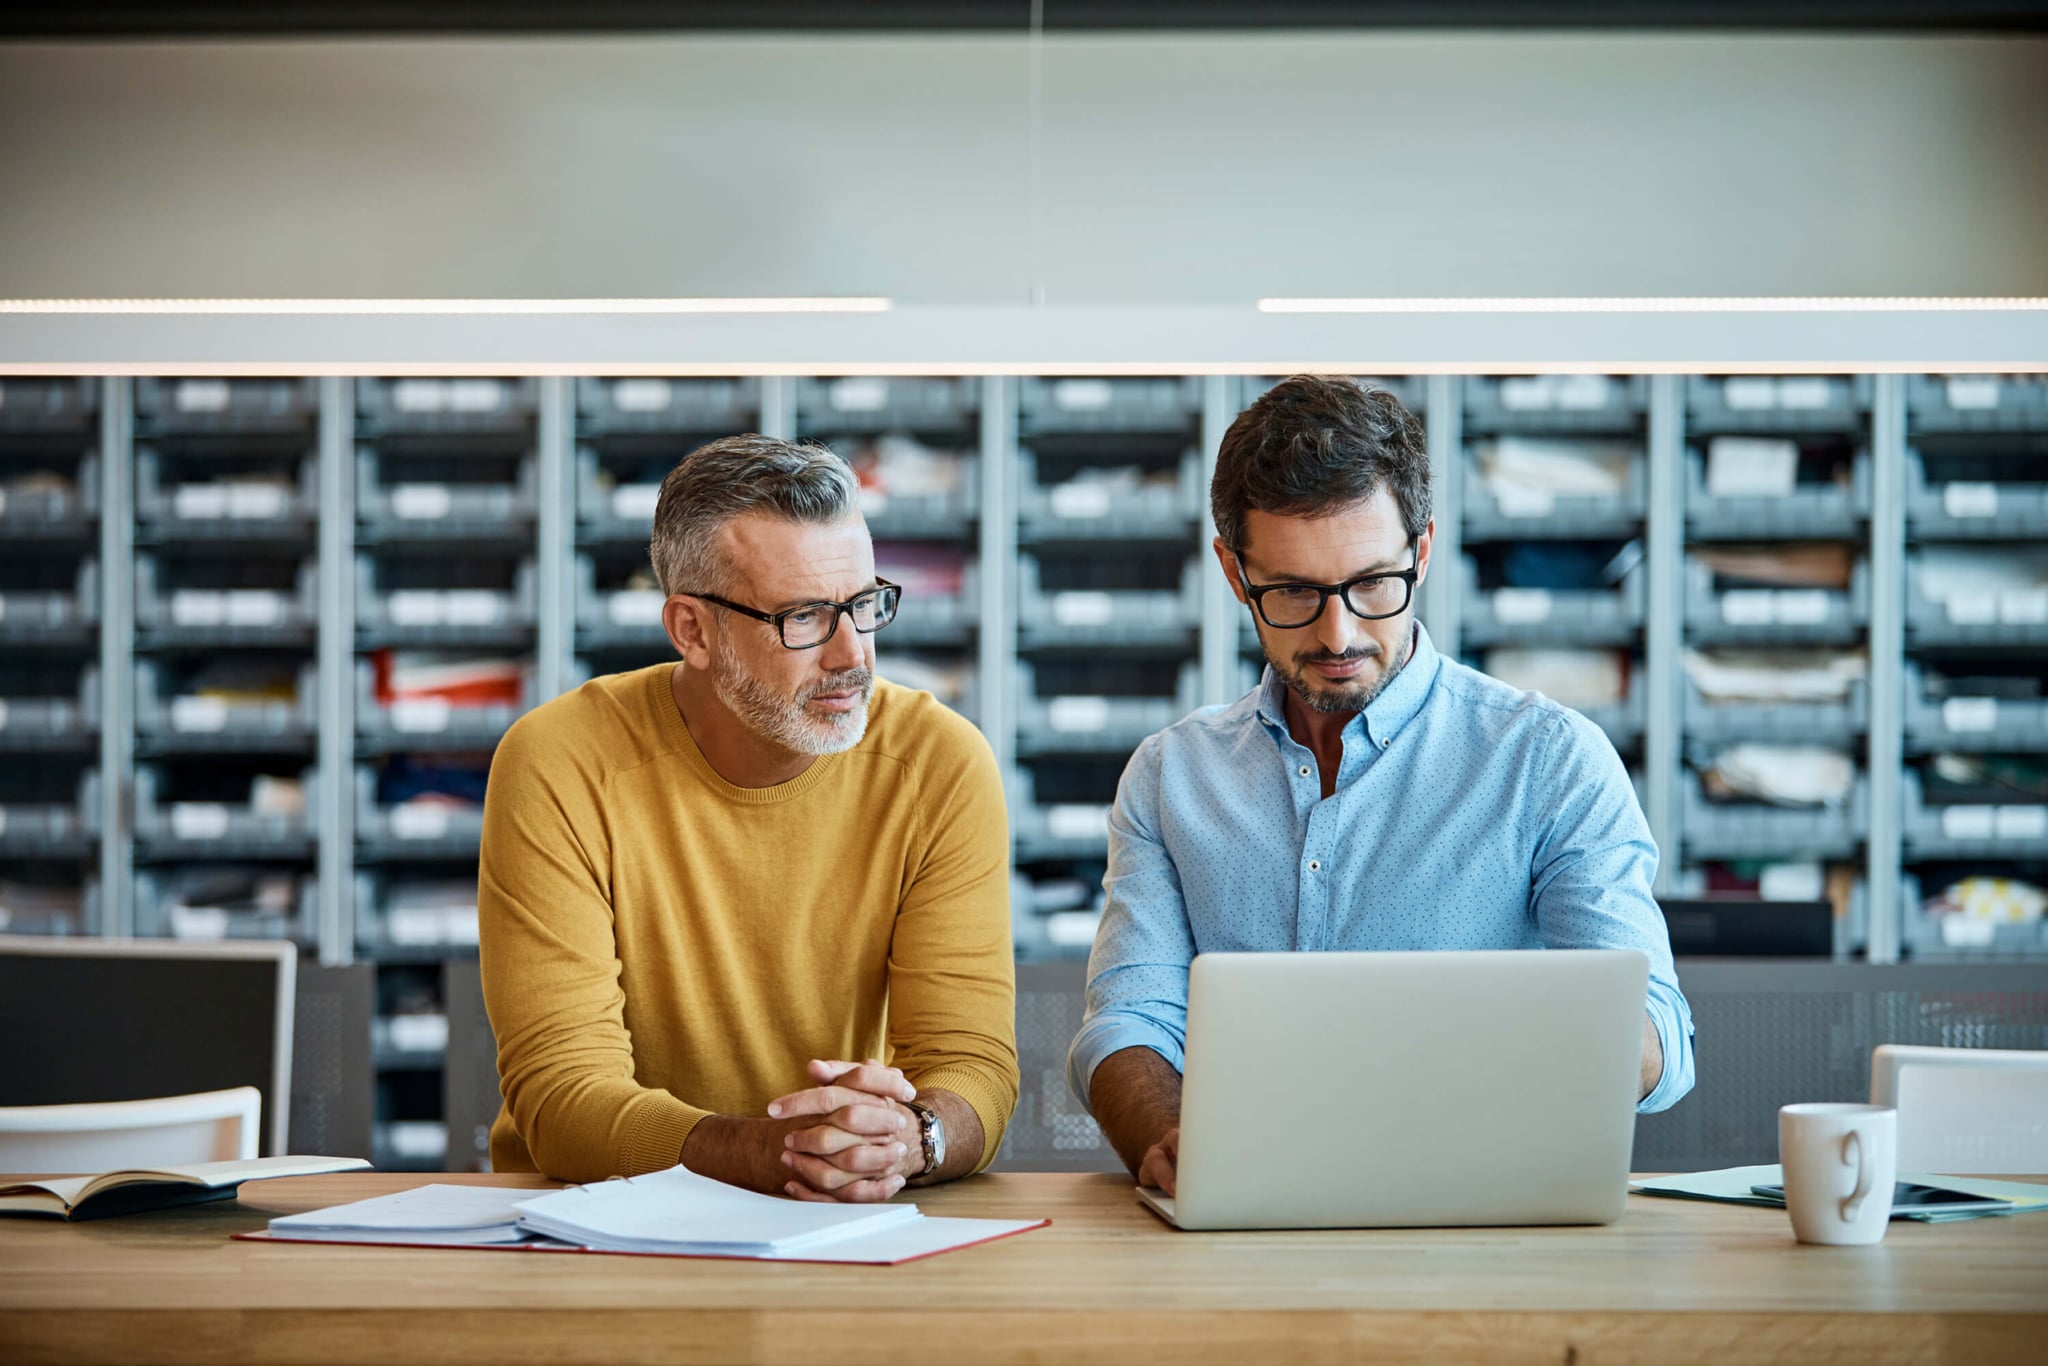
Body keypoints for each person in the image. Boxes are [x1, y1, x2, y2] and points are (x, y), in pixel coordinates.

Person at [1068, 375, 1695, 1195]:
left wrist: (1565, 1048)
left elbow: (1660, 1035)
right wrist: (1167, 1137)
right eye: (1293, 591)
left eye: (1373, 584)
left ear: (1423, 551)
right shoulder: (1170, 778)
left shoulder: (1549, 759)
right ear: (1233, 573)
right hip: (1241, 1211)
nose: (1338, 633)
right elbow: (1127, 1020)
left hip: (1483, 1207)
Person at [480, 434, 1018, 1201]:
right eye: (804, 618)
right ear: (692, 630)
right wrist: (771, 1153)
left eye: (864, 607)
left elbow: (972, 1063)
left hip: (849, 1219)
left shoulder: (939, 763)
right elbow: (561, 1095)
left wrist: (912, 1140)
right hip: (595, 1225)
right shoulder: (562, 762)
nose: (852, 656)